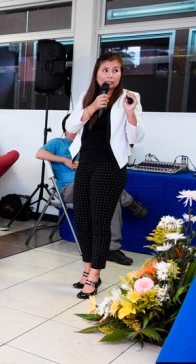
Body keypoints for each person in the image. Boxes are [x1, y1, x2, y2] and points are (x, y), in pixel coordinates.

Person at [65, 52, 144, 299]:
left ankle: (95, 276)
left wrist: (130, 112)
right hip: (85, 164)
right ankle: (87, 269)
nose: (110, 75)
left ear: (121, 74)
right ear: (97, 73)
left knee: (100, 225)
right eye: (105, 70)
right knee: (84, 223)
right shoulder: (87, 96)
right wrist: (90, 108)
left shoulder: (129, 98)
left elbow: (136, 138)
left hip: (110, 167)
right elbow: (70, 127)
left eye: (115, 70)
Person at [36, 120, 147, 267]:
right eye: (72, 131)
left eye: (78, 131)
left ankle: (111, 249)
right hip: (68, 189)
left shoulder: (85, 145)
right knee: (105, 188)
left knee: (110, 196)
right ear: (65, 129)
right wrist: (65, 160)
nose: (75, 134)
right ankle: (130, 202)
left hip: (90, 184)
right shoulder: (58, 143)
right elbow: (39, 153)